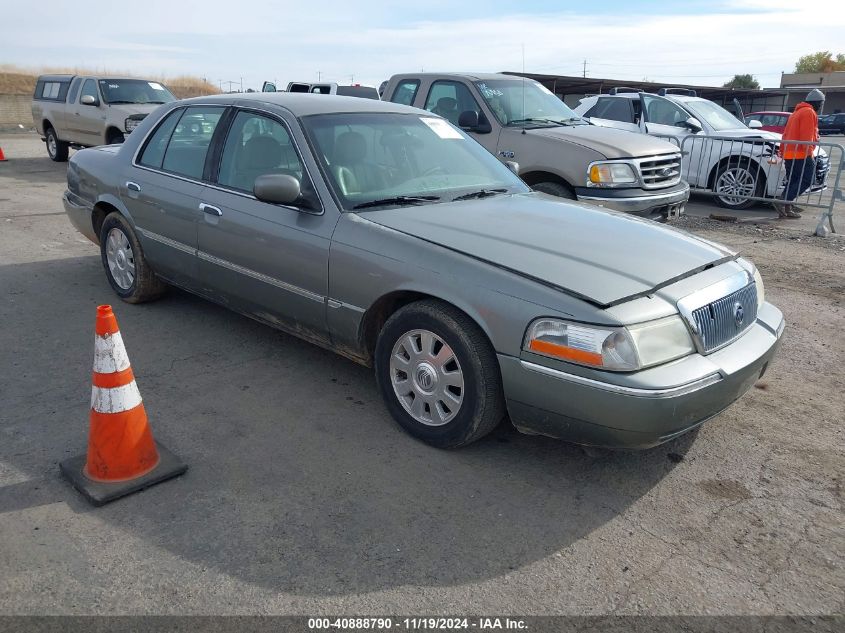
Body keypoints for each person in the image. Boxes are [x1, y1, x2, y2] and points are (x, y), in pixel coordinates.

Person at [775, 89, 825, 218]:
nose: (820, 107)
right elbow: (806, 136)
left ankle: (786, 207)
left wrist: (782, 150)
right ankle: (783, 200)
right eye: (821, 104)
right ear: (817, 103)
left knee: (793, 180)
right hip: (801, 154)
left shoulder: (796, 112)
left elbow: (785, 134)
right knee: (808, 179)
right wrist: (809, 154)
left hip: (790, 153)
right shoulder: (809, 112)